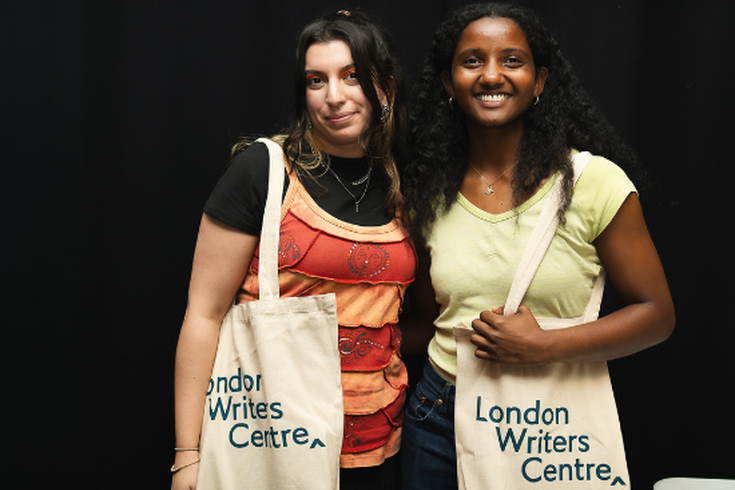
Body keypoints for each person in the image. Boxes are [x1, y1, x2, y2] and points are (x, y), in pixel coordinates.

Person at [399, 3, 675, 488]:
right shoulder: (426, 191)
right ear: (448, 82)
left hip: (549, 425)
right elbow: (429, 322)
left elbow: (657, 314)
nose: (491, 75)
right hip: (439, 416)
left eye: (511, 60)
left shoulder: (594, 183)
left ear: (540, 80)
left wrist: (544, 346)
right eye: (471, 61)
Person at [171, 10, 415, 490]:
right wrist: (187, 455)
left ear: (384, 88)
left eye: (352, 77)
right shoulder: (264, 169)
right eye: (315, 80)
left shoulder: (404, 179)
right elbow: (202, 315)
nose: (334, 96)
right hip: (275, 443)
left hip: (379, 445)